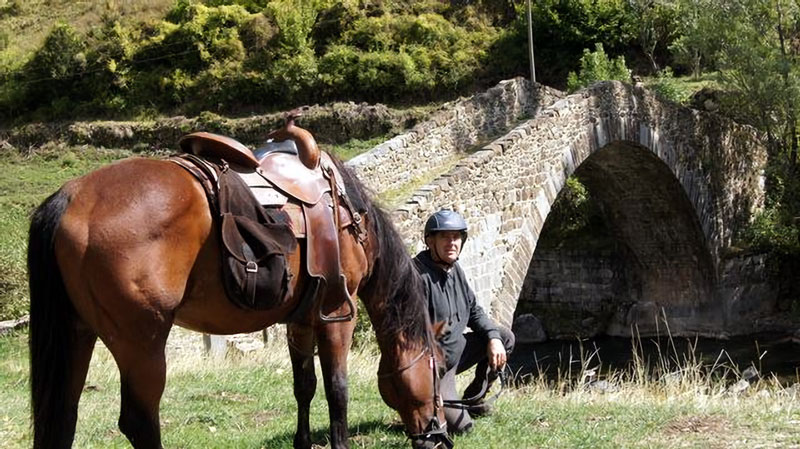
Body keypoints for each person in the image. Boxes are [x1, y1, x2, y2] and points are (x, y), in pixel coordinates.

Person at [413, 209, 515, 434]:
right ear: (430, 241)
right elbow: (412, 336)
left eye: (456, 237)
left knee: (504, 337)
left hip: (458, 351)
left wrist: (493, 338)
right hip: (434, 368)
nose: (452, 243)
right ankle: (430, 403)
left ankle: (473, 399)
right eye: (445, 237)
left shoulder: (454, 269)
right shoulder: (417, 276)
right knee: (464, 429)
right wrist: (430, 387)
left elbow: (473, 311)